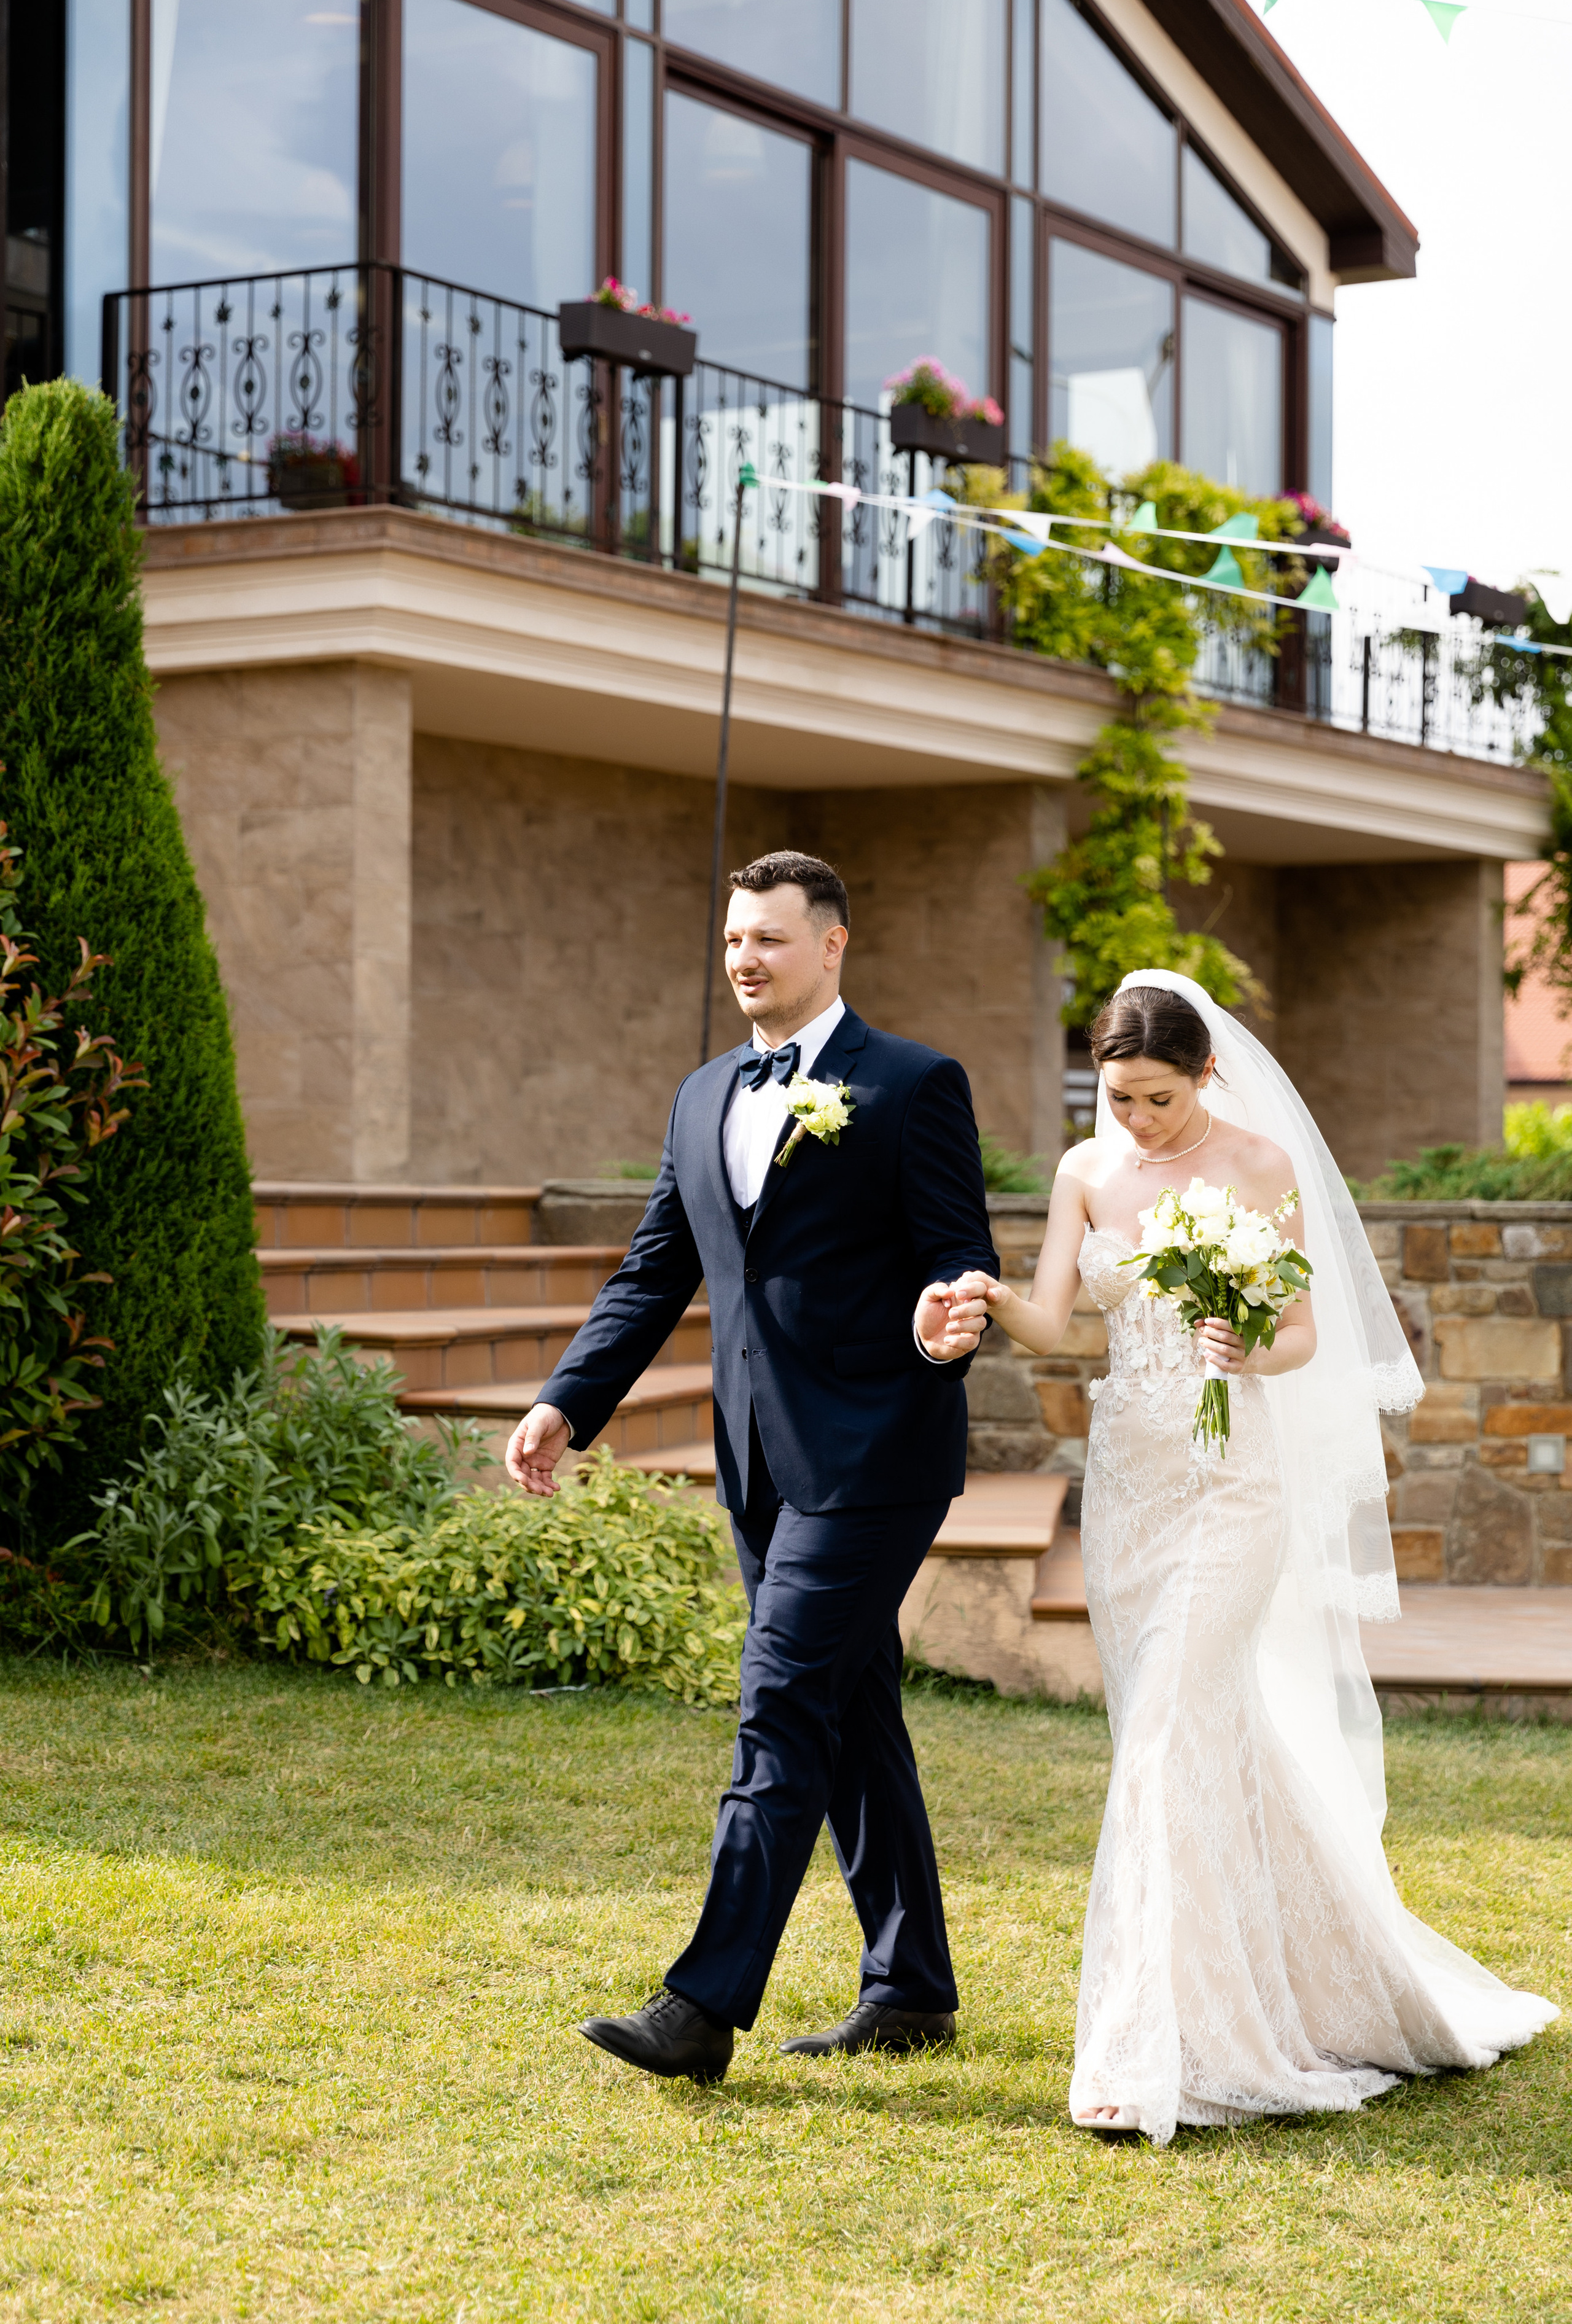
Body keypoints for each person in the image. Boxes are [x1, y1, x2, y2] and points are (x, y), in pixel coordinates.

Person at [951, 968, 1558, 2145]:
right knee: (1181, 1739)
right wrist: (981, 1299)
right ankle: (1332, 1978)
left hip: (1235, 1488)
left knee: (1172, 1733)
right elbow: (1060, 1317)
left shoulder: (1259, 1169)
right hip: (1132, 1484)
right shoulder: (1086, 1174)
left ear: (1205, 1075)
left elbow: (1304, 1332)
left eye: (1158, 1099)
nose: (1136, 1121)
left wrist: (1248, 1346)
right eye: (1119, 1098)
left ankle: (1157, 2045)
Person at [505, 849, 998, 2084]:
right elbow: (652, 1271)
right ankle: (909, 1987)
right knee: (850, 1712)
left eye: (768, 940)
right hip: (757, 1464)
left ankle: (700, 2008)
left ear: (831, 945)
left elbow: (956, 1256)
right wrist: (570, 1399)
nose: (743, 960)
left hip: (876, 1453)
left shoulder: (909, 1085)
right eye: (731, 940)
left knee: (779, 1702)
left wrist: (944, 1322)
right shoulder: (699, 1095)